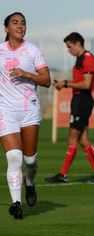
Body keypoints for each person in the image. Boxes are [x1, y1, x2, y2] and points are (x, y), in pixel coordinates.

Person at [0, 12, 51, 218]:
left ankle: (30, 183)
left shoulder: (33, 51)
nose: (20, 26)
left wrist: (26, 74)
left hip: (29, 110)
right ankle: (16, 203)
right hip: (5, 111)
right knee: (14, 157)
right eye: (15, 23)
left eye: (23, 23)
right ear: (6, 29)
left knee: (30, 160)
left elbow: (46, 80)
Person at [45, 32, 94, 183]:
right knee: (83, 139)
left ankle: (63, 174)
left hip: (82, 100)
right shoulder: (81, 59)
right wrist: (64, 84)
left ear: (78, 43)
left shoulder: (88, 59)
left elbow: (86, 84)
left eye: (69, 46)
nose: (68, 50)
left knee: (73, 137)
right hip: (79, 99)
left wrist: (65, 84)